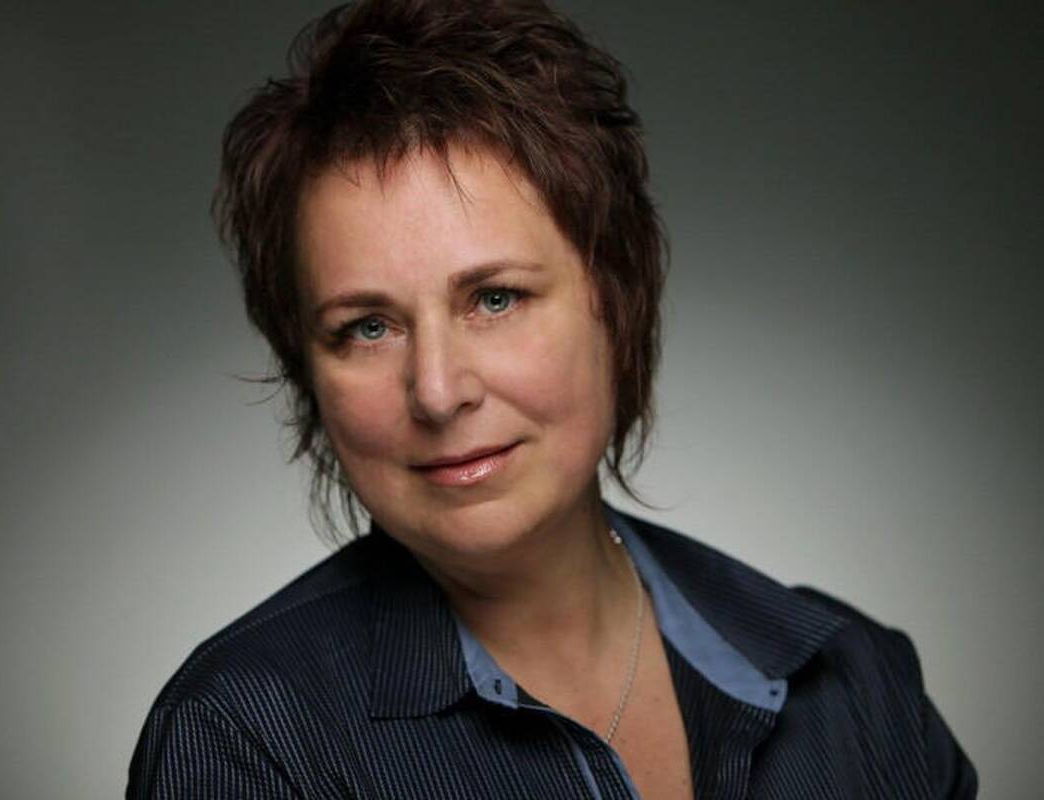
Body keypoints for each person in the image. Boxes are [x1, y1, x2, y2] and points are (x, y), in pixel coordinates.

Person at [127, 1, 977, 797]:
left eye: (494, 298)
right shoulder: (243, 738)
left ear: (618, 296)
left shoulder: (855, 683)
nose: (438, 392)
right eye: (367, 327)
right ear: (305, 366)